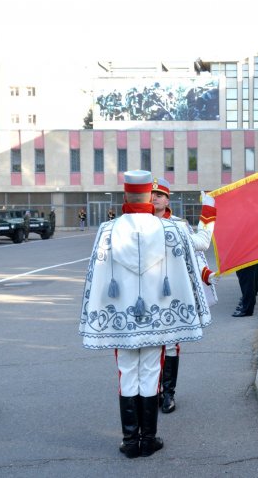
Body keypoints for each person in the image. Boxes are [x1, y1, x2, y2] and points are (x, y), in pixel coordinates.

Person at [79, 170, 211, 458]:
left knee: (127, 374)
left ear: (125, 195)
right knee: (151, 374)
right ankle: (148, 440)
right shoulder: (172, 230)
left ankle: (130, 441)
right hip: (158, 317)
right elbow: (185, 272)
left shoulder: (108, 230)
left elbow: (97, 277)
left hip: (122, 320)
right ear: (150, 197)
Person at [150, 177, 217, 414]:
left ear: (168, 199)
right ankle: (151, 392)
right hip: (144, 295)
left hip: (171, 294)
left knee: (170, 344)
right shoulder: (138, 223)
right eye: (151, 193)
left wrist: (209, 208)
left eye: (159, 194)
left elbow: (200, 246)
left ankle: (168, 393)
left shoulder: (179, 225)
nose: (155, 197)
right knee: (148, 344)